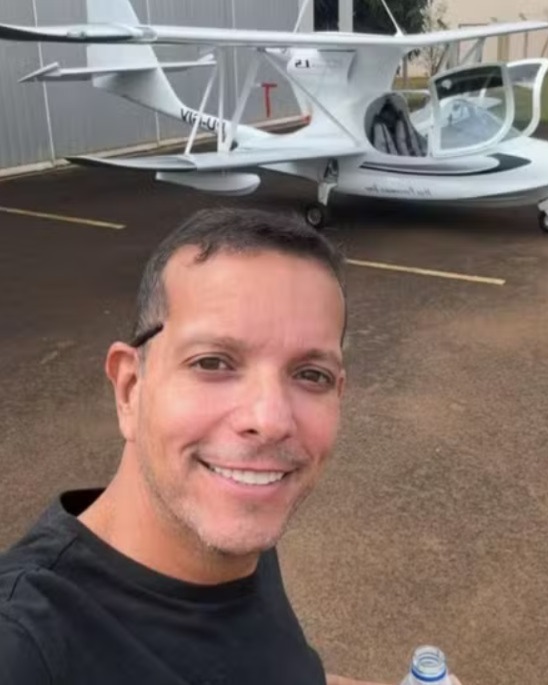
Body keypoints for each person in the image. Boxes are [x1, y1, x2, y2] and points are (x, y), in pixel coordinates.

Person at [0, 207, 391, 685]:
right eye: (212, 363)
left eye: (311, 374)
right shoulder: (26, 646)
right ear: (129, 389)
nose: (270, 421)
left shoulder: (233, 520)